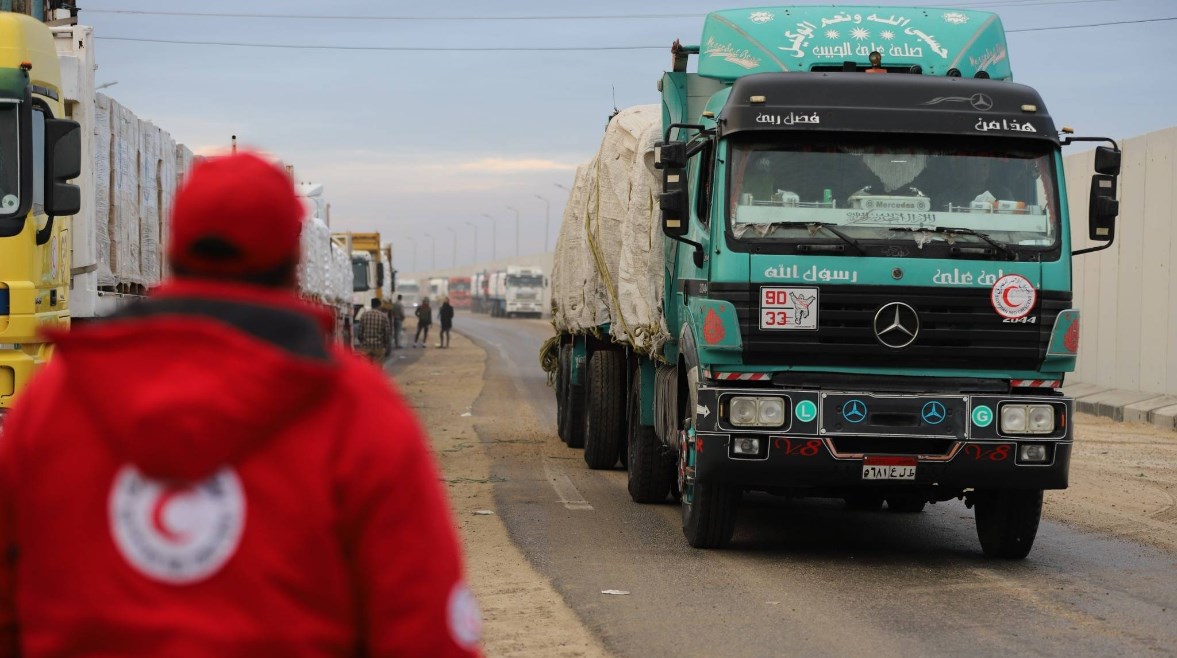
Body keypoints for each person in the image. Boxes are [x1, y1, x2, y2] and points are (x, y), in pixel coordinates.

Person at [0, 151, 482, 657]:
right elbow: (424, 630)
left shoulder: (58, 400)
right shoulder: (356, 412)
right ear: (295, 262)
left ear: (173, 247)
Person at [357, 297, 392, 363]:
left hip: (366, 346)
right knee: (377, 369)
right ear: (379, 305)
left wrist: (362, 342)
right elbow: (387, 333)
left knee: (365, 368)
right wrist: (385, 345)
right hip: (378, 346)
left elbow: (360, 332)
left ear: (371, 305)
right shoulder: (383, 316)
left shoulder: (364, 315)